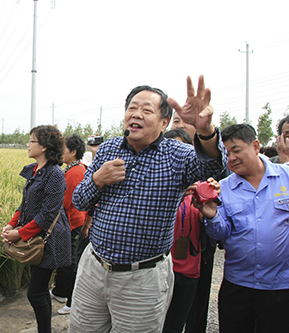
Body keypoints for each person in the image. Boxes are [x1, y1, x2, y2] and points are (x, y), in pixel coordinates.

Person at [69, 76, 228, 332]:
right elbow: (79, 200)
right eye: (132, 107)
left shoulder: (178, 155)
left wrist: (206, 132)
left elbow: (215, 167)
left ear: (165, 122)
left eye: (146, 109)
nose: (136, 114)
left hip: (142, 278)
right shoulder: (109, 149)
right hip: (94, 268)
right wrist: (97, 180)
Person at [194, 124, 289, 333]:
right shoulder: (223, 188)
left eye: (236, 150)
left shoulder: (286, 177)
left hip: (281, 287)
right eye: (226, 153)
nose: (231, 158)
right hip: (238, 285)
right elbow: (221, 232)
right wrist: (211, 215)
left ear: (255, 146)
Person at [1, 125, 71, 333]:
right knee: (39, 291)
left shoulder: (55, 174)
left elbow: (48, 213)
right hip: (34, 234)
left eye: (32, 141)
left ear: (44, 146)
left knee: (36, 292)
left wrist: (19, 234)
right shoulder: (34, 170)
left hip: (49, 239)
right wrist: (12, 223)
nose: (28, 145)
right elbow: (25, 204)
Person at [162, 128, 203, 333]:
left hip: (188, 271)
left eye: (183, 150)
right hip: (158, 271)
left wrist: (208, 207)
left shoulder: (201, 190)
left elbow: (216, 231)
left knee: (175, 325)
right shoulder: (155, 192)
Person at [50, 134, 88, 315]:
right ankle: (60, 292)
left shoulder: (74, 172)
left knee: (69, 262)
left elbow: (64, 202)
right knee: (67, 261)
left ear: (73, 152)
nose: (60, 153)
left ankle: (72, 302)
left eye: (63, 150)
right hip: (74, 221)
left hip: (73, 223)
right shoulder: (77, 168)